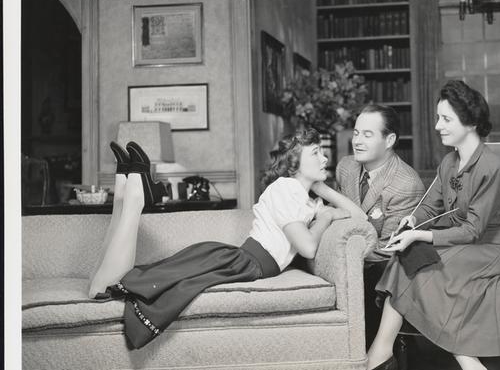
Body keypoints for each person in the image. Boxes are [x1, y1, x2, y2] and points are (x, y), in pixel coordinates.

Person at [88, 129, 364, 349]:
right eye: (316, 153)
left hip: (241, 261)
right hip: (245, 261)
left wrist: (322, 189)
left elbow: (360, 218)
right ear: (294, 163)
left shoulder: (305, 198)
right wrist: (327, 216)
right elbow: (308, 247)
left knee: (139, 281)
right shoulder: (286, 188)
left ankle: (126, 190)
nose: (325, 159)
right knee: (141, 285)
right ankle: (131, 196)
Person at [366, 80, 500, 370]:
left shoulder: (492, 167)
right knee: (407, 257)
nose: (437, 126)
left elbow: (473, 229)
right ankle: (382, 353)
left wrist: (421, 236)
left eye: (446, 119)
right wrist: (412, 221)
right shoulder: (449, 163)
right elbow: (431, 206)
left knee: (425, 265)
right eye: (438, 118)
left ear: (469, 122)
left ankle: (386, 357)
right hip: (470, 244)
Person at [335, 104, 424, 345]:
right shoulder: (345, 167)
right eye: (356, 133)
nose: (357, 141)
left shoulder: (406, 184)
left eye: (367, 134)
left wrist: (343, 258)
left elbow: (388, 249)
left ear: (389, 140)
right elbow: (337, 219)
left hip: (380, 268)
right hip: (348, 258)